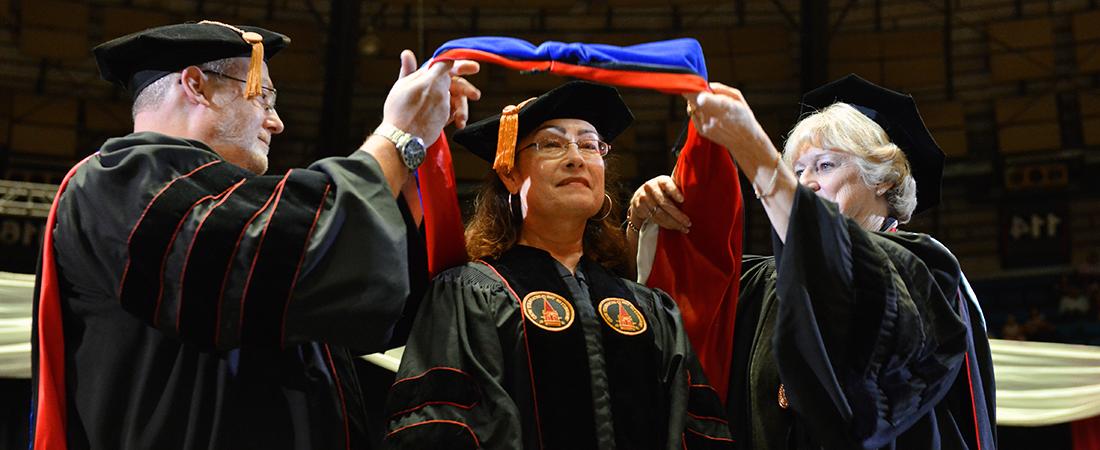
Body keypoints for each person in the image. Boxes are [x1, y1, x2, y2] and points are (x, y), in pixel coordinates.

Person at [31, 21, 480, 449]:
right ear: (195, 85)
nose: (276, 122)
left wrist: (417, 149)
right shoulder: (118, 180)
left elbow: (365, 300)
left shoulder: (239, 208)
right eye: (263, 97)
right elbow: (269, 260)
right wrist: (398, 139)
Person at [628, 74, 996, 449]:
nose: (807, 183)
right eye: (798, 171)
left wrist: (758, 157)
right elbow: (684, 306)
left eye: (825, 165)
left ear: (883, 179)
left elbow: (850, 279)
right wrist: (650, 222)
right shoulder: (765, 281)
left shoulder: (924, 272)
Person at [383, 81, 732, 449]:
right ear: (510, 173)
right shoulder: (468, 294)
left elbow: (695, 427)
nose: (576, 158)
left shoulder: (648, 308)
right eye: (551, 144)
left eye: (590, 145)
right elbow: (440, 428)